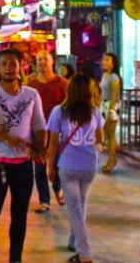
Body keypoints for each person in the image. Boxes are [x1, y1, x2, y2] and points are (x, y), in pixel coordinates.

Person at [0, 48, 46, 263]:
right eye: (4, 64)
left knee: (19, 217)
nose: (9, 68)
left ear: (21, 65)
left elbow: (39, 124)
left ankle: (15, 259)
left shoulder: (31, 94)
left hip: (23, 165)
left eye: (13, 63)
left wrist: (41, 147)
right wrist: (5, 137)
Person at [47, 73, 105, 263]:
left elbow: (53, 143)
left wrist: (50, 166)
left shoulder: (59, 111)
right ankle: (74, 240)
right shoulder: (95, 111)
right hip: (89, 166)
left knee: (75, 209)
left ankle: (85, 253)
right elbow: (101, 138)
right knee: (81, 205)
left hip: (68, 166)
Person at [27, 49, 68, 211]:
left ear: (52, 61)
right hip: (38, 131)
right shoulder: (31, 85)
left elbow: (68, 105)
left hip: (57, 132)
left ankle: (58, 187)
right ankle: (44, 200)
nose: (42, 63)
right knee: (39, 166)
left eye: (45, 59)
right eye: (39, 60)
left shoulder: (63, 83)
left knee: (57, 164)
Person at [99, 52, 121, 174]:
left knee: (111, 134)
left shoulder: (114, 78)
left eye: (107, 60)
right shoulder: (104, 75)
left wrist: (111, 110)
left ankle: (111, 161)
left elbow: (115, 95)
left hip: (112, 106)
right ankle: (112, 159)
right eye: (104, 59)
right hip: (103, 105)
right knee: (106, 134)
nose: (104, 62)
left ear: (113, 64)